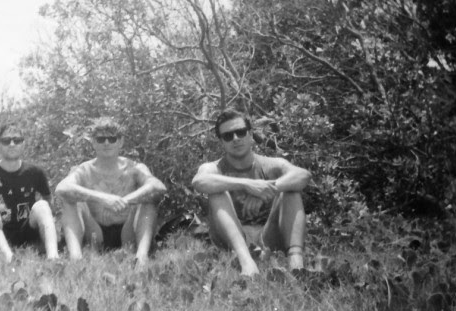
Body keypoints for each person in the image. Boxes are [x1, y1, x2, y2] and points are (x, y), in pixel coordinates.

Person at [192, 108, 311, 275]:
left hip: (268, 236)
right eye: (228, 136)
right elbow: (199, 181)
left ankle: (296, 264)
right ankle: (246, 262)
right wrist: (247, 184)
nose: (235, 139)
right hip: (231, 241)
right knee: (217, 191)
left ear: (250, 134)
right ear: (222, 142)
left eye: (241, 132)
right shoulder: (213, 167)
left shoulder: (270, 164)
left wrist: (268, 190)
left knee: (291, 189)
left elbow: (303, 175)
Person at [55, 117, 166, 267]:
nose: (106, 143)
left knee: (148, 199)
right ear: (93, 142)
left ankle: (141, 258)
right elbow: (61, 188)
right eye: (101, 139)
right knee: (70, 199)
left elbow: (158, 186)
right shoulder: (84, 170)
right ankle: (76, 259)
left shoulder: (134, 168)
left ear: (120, 142)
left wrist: (127, 200)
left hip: (128, 233)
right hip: (95, 233)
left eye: (112, 139)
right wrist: (102, 198)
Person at [0, 123, 58, 263]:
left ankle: (53, 258)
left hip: (27, 231)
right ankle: (8, 258)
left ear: (23, 144)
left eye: (17, 140)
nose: (12, 144)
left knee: (42, 206)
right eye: (6, 141)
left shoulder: (35, 172)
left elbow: (48, 199)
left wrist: (47, 219)